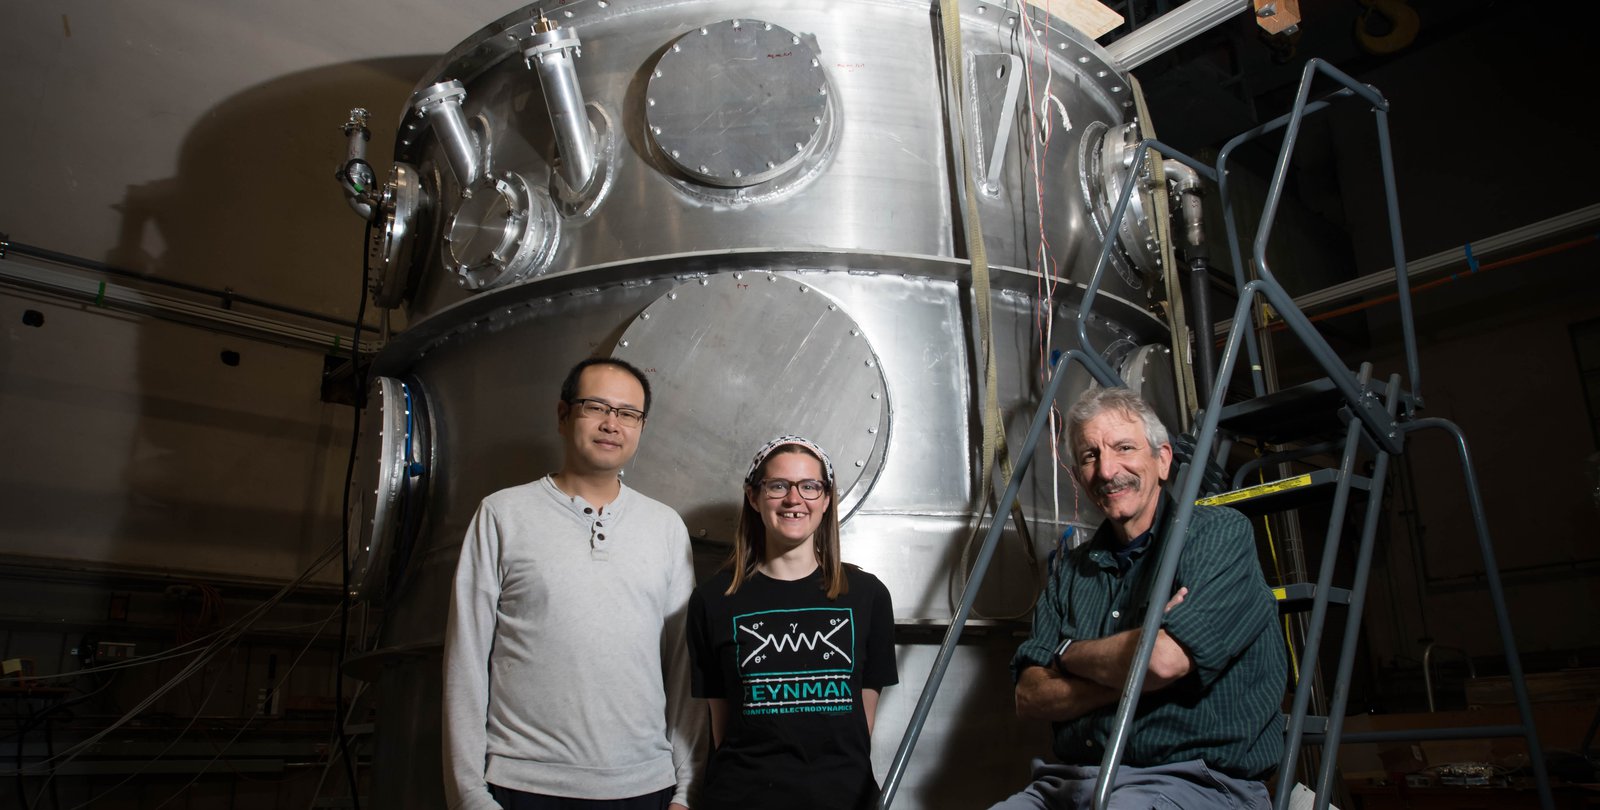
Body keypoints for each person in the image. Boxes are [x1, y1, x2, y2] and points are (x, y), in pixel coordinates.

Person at [990, 387, 1285, 809]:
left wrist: (1068, 654)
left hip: (1193, 782)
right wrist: (1140, 674)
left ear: (1163, 460)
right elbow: (1030, 697)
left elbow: (1164, 661)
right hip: (1070, 783)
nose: (1107, 470)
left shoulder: (1217, 535)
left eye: (1124, 447)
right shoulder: (1069, 570)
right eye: (1090, 455)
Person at [443, 357, 706, 810]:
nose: (611, 424)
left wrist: (686, 792)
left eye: (628, 413)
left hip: (645, 788)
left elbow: (683, 666)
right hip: (521, 787)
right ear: (563, 415)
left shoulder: (666, 527)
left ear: (641, 427)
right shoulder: (502, 514)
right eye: (596, 407)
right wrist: (470, 795)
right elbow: (465, 659)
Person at [686, 436, 899, 810]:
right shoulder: (712, 601)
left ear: (827, 499)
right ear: (754, 497)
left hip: (845, 800)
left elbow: (858, 729)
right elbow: (722, 731)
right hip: (743, 800)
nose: (794, 499)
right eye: (778, 486)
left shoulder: (868, 597)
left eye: (810, 486)